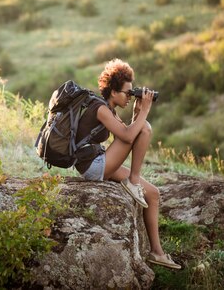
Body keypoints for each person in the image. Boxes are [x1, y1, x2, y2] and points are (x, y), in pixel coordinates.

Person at [75, 58, 182, 270]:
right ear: (113, 92)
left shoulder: (109, 109)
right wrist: (144, 112)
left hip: (101, 162)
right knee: (146, 128)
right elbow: (129, 135)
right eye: (127, 92)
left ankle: (157, 252)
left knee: (152, 193)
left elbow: (127, 133)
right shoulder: (100, 108)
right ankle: (133, 181)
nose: (129, 96)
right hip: (93, 167)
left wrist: (136, 113)